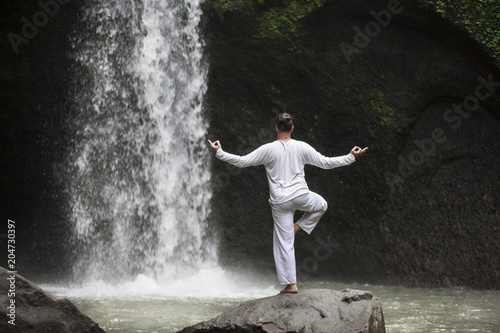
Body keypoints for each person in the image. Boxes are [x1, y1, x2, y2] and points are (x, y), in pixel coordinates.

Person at [208, 113, 367, 293]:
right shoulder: (301, 147)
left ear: (276, 128)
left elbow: (242, 161)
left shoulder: (267, 149)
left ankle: (291, 285)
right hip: (301, 196)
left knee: (284, 242)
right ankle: (298, 226)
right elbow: (325, 162)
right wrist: (351, 156)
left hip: (280, 202)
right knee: (322, 204)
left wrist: (219, 152)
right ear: (292, 129)